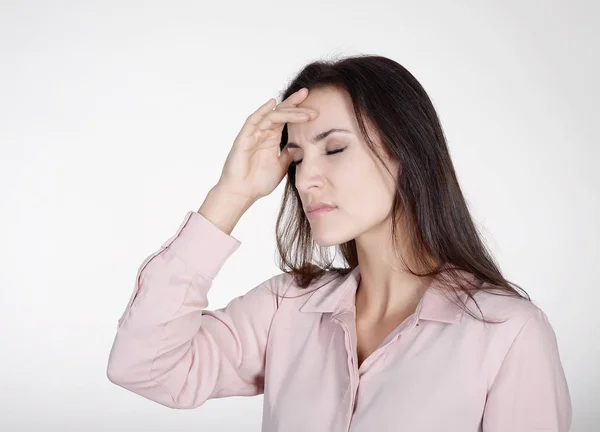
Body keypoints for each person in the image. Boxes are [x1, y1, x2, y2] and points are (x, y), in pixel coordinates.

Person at [106, 55, 572, 431]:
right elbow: (145, 366)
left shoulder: (507, 332)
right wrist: (231, 194)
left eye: (334, 149)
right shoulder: (285, 307)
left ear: (405, 152)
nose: (306, 178)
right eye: (296, 157)